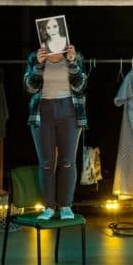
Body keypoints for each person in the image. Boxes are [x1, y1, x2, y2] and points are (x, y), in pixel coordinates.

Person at [24, 39, 88, 221]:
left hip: (69, 109)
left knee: (67, 161)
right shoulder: (35, 57)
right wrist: (38, 64)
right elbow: (29, 87)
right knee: (46, 163)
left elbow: (80, 86)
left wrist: (73, 61)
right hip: (43, 111)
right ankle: (49, 207)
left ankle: (66, 206)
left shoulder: (74, 56)